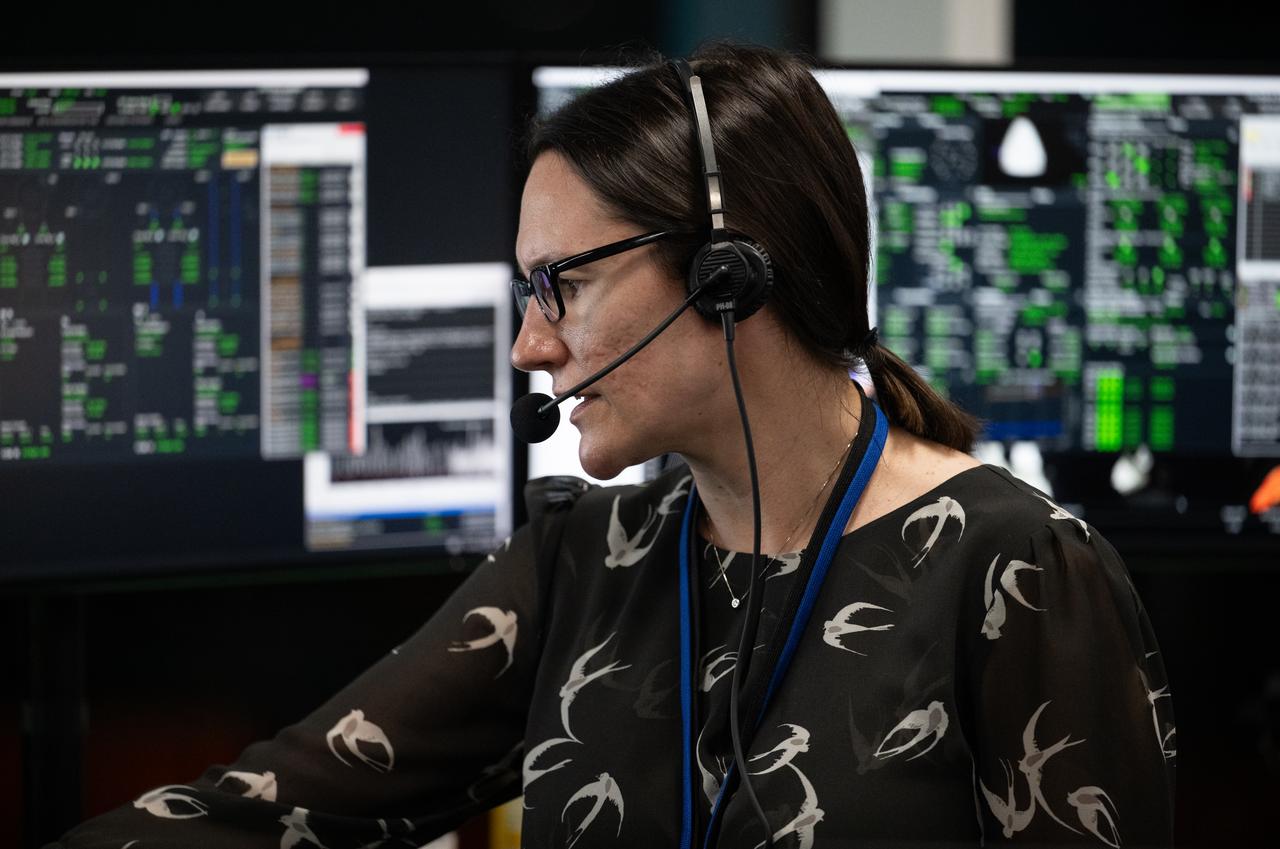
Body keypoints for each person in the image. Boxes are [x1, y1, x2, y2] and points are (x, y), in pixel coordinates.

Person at [49, 43, 1174, 848]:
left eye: (562, 286)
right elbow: (269, 808)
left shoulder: (1016, 567)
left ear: (731, 274)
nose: (529, 346)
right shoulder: (585, 561)